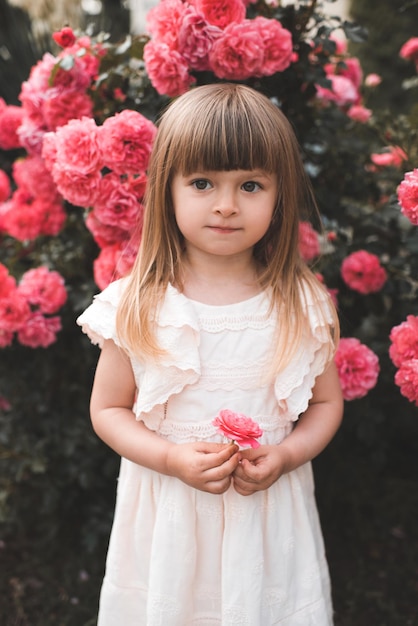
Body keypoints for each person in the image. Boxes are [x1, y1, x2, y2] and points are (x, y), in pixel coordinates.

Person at [77, 82, 344, 626]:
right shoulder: (140, 303)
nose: (225, 204)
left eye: (250, 185)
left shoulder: (299, 302)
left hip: (267, 524)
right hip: (171, 523)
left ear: (279, 195)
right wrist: (171, 458)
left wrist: (288, 455)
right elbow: (108, 411)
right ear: (167, 190)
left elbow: (324, 405)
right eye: (202, 183)